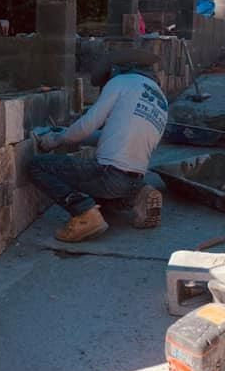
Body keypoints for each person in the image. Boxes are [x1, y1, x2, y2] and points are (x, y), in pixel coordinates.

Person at [30, 65, 167, 242]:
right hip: (133, 179)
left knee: (36, 166)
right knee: (103, 204)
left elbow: (87, 124)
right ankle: (140, 195)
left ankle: (84, 213)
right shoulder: (161, 99)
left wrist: (55, 140)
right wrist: (65, 132)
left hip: (108, 174)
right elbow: (110, 135)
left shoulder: (120, 81)